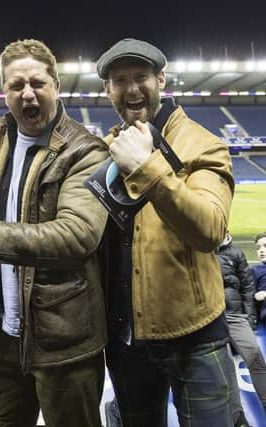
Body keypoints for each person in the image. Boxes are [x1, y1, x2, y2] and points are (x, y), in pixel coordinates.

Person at [0, 39, 109, 426]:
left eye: (37, 83)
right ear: (5, 91)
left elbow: (78, 235)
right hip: (5, 333)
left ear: (57, 87)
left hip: (64, 340)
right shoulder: (2, 137)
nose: (27, 94)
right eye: (16, 86)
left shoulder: (86, 151)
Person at [97, 38, 236, 426]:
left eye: (141, 76)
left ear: (161, 79)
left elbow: (210, 229)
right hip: (126, 340)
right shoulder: (107, 149)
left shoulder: (202, 143)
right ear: (107, 90)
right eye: (119, 80)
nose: (132, 89)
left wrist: (146, 167)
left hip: (195, 335)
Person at [219, 232, 266, 425]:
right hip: (210, 318)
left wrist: (250, 319)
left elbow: (247, 287)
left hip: (236, 316)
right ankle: (238, 417)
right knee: (224, 365)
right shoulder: (198, 250)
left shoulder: (235, 253)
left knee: (254, 355)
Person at [253, 232, 266, 324]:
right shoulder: (255, 271)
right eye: (258, 248)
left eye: (265, 246)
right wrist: (255, 296)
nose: (261, 250)